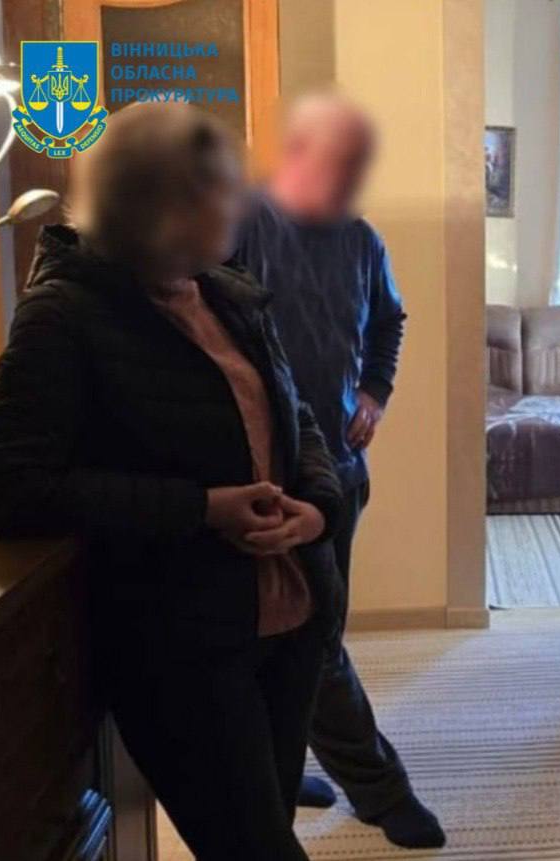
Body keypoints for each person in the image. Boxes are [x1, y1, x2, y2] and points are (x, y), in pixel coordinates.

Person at [0, 102, 341, 859]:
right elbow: (11, 486)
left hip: (289, 617)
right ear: (157, 204)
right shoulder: (62, 315)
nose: (238, 204)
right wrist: (202, 508)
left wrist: (316, 508)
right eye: (219, 190)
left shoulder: (228, 292)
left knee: (262, 829)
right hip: (181, 644)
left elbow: (296, 416)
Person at [233, 92, 445, 850]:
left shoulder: (361, 238)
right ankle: (381, 791)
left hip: (342, 474)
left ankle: (280, 769)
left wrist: (375, 392)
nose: (351, 178)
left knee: (306, 635)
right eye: (339, 161)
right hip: (270, 477)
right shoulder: (238, 226)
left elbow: (390, 320)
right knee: (312, 638)